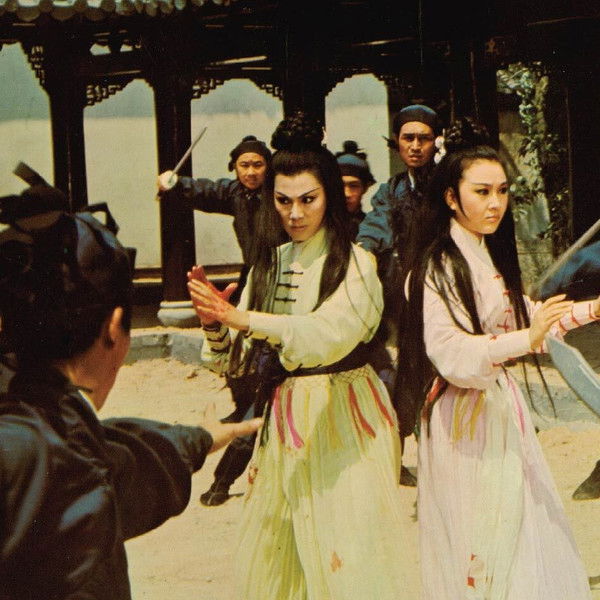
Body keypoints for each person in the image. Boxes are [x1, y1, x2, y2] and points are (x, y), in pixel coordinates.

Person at [0, 174, 262, 600]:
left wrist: (201, 437)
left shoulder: (54, 437)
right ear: (115, 329)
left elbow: (124, 459)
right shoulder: (47, 456)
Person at [188, 113, 410, 599]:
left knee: (345, 550)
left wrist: (245, 319)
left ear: (328, 194)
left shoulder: (356, 263)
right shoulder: (269, 264)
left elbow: (327, 335)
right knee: (282, 550)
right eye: (283, 200)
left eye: (308, 199)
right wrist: (215, 324)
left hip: (344, 412)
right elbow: (237, 363)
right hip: (286, 417)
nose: (294, 214)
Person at [398, 117, 598, 599]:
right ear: (451, 197)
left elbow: (530, 317)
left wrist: (592, 310)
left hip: (497, 406)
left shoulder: (483, 253)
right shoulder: (439, 266)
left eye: (503, 191)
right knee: (482, 535)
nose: (496, 204)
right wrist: (525, 339)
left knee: (522, 523)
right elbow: (451, 352)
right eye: (482, 192)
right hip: (462, 413)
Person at [159, 135, 280, 507]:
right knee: (241, 359)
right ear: (235, 168)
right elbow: (205, 190)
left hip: (282, 278)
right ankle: (244, 401)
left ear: (268, 167)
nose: (251, 172)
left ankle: (226, 473)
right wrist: (174, 184)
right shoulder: (234, 194)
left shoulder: (279, 194)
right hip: (252, 279)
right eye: (245, 165)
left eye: (258, 164)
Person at [334, 139, 375, 238]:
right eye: (340, 185)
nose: (346, 194)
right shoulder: (317, 227)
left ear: (365, 187)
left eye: (353, 186)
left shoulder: (373, 230)